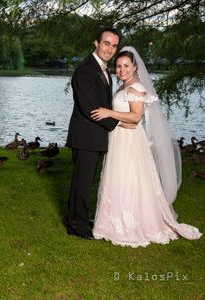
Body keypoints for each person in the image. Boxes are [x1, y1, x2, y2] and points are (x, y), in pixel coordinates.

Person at [90, 47, 202, 247]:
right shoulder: (125, 87)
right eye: (118, 66)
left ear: (134, 67)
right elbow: (129, 120)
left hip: (130, 141)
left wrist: (109, 113)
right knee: (118, 177)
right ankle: (111, 223)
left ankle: (133, 224)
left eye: (126, 66)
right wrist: (118, 122)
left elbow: (136, 117)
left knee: (130, 178)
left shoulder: (136, 88)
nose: (122, 70)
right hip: (121, 137)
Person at [66, 28, 128, 240]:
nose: (110, 49)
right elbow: (90, 107)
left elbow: (104, 103)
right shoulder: (85, 70)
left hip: (94, 136)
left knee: (84, 182)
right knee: (82, 183)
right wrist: (118, 123)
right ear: (96, 43)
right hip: (86, 136)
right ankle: (78, 226)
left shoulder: (102, 69)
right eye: (106, 43)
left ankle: (77, 220)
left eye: (113, 45)